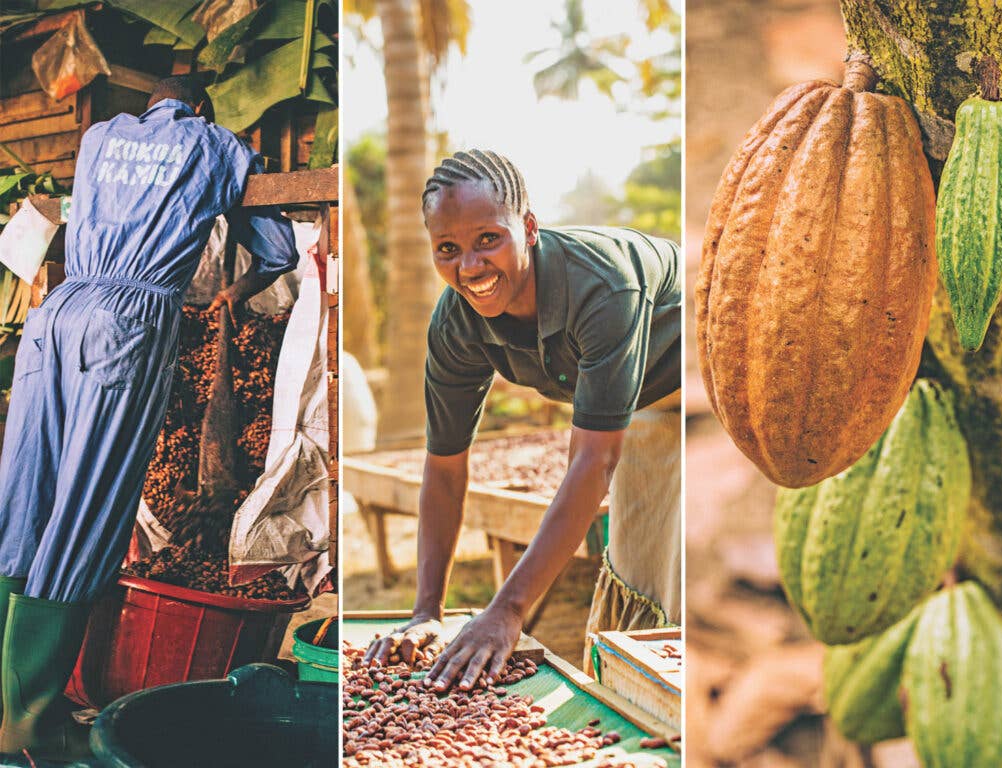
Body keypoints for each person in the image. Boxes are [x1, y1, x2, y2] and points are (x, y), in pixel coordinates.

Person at [0, 76, 298, 758]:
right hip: (128, 320)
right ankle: (31, 726)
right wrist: (237, 287)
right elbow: (278, 254)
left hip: (58, 313)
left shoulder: (99, 136)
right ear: (201, 109)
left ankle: (1, 708)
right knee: (89, 506)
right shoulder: (218, 145)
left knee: (25, 496)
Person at [365, 149, 681, 691]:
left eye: (488, 239)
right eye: (448, 249)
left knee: (682, 587)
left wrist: (508, 609)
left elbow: (595, 460)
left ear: (529, 228)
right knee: (640, 580)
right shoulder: (455, 325)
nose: (470, 268)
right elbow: (444, 471)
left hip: (703, 384)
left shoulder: (602, 287)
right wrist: (426, 612)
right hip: (636, 413)